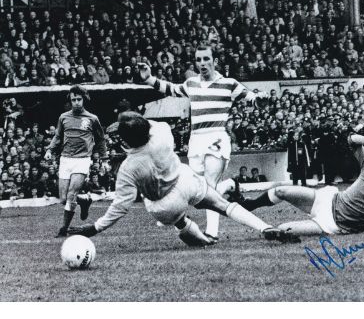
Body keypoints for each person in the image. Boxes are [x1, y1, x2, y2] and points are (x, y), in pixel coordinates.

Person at [68, 112, 298, 246]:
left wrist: (95, 228)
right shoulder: (162, 135)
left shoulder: (128, 168)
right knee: (224, 206)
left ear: (125, 141)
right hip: (184, 180)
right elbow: (151, 125)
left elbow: (120, 206)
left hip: (163, 205)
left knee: (180, 222)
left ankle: (203, 239)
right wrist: (131, 124)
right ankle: (265, 227)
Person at [137, 45, 268, 243]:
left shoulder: (228, 83)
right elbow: (170, 89)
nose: (202, 64)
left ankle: (212, 233)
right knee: (198, 192)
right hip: (196, 139)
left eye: (206, 59)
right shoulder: (191, 84)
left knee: (209, 186)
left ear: (215, 61)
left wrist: (261, 99)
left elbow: (252, 100)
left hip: (216, 137)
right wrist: (148, 78)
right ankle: (230, 185)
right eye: (199, 60)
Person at [241, 133, 364, 236]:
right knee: (280, 191)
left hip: (335, 223)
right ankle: (249, 205)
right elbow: (350, 140)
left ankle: (263, 225)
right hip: (329, 200)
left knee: (282, 230)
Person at [45, 85, 108, 237]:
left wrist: (104, 160)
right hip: (65, 159)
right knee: (62, 198)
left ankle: (64, 229)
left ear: (84, 100)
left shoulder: (92, 119)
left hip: (82, 160)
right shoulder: (63, 117)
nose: (76, 103)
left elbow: (100, 140)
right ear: (70, 101)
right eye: (74, 100)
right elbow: (58, 136)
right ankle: (85, 201)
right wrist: (49, 150)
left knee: (71, 195)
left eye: (79, 99)